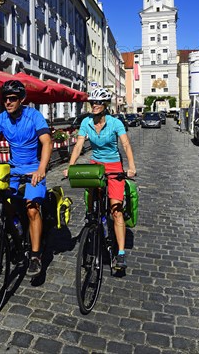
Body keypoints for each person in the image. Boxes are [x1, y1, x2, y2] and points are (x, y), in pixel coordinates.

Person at [0, 80, 52, 277]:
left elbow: (46, 142)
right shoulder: (1, 118)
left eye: (12, 99)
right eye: (5, 99)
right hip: (13, 168)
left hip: (33, 169)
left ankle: (35, 256)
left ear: (22, 99)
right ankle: (16, 232)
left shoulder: (34, 116)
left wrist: (41, 169)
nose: (8, 102)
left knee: (32, 208)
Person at [64, 87, 136, 270]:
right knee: (91, 198)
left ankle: (120, 253)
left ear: (105, 105)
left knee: (116, 209)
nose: (94, 105)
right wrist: (70, 167)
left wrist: (131, 167)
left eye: (98, 102)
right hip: (96, 165)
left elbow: (126, 145)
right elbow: (79, 145)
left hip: (113, 166)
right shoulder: (86, 122)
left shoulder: (115, 123)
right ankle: (92, 219)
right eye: (92, 102)